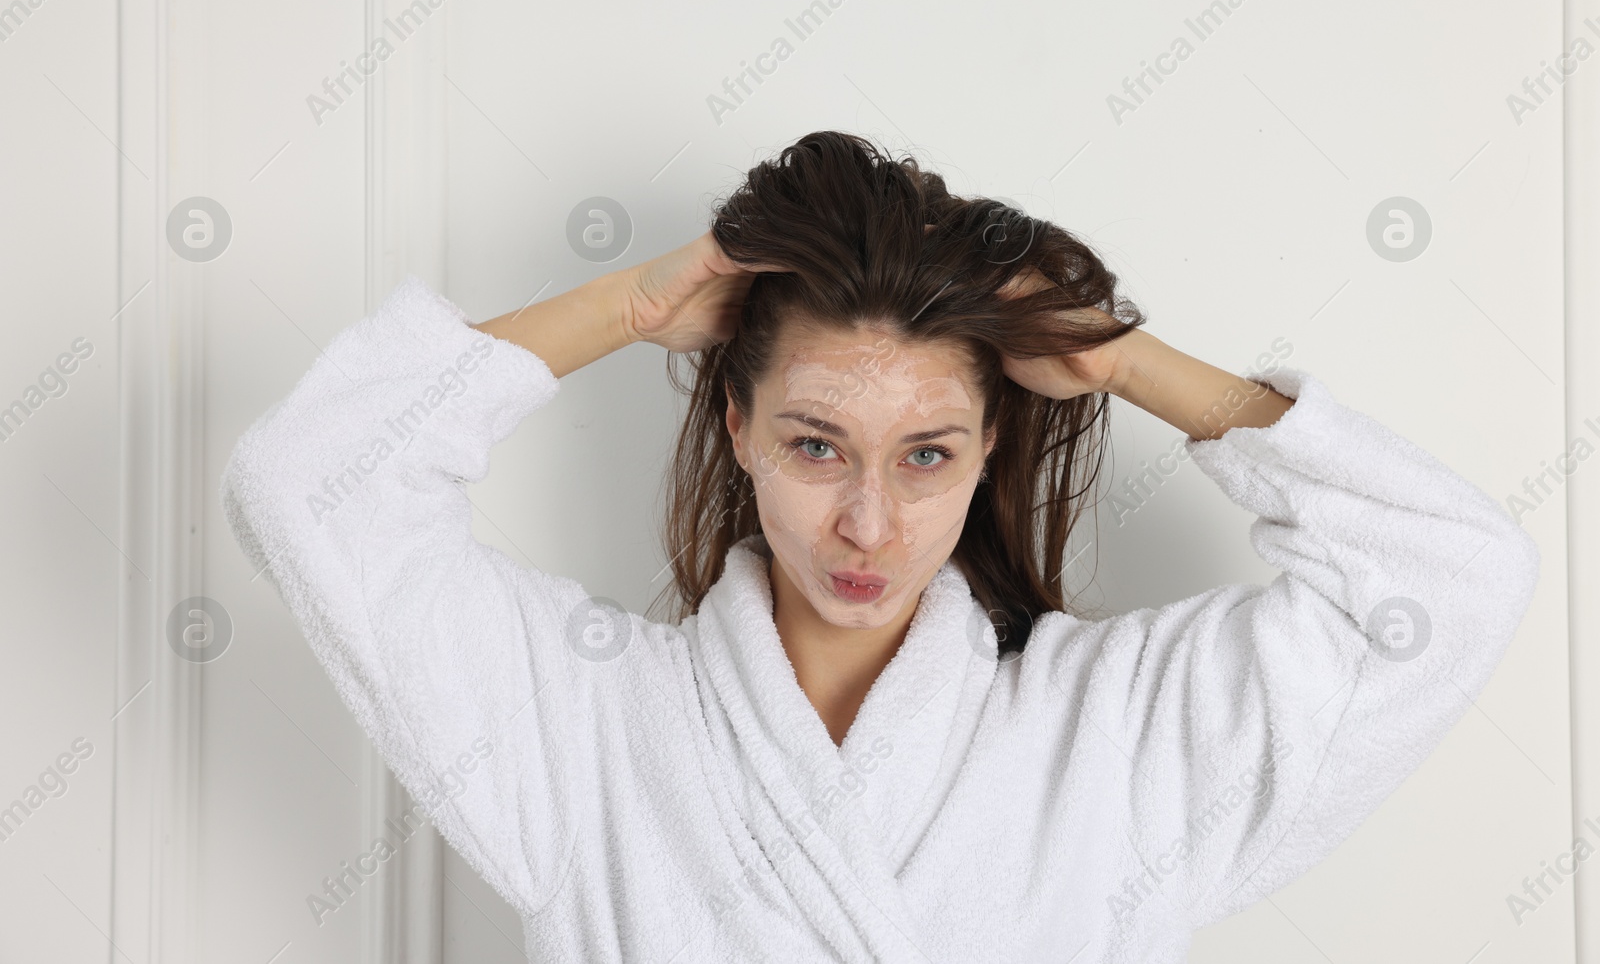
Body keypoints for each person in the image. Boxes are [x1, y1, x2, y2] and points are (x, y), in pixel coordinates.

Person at [223, 131, 1540, 962]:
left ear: (986, 451)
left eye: (926, 455)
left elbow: (1447, 577)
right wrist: (626, 306)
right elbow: (313, 487)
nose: (868, 523)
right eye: (814, 445)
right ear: (733, 425)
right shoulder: (590, 729)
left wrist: (1126, 359)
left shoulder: (1121, 735)